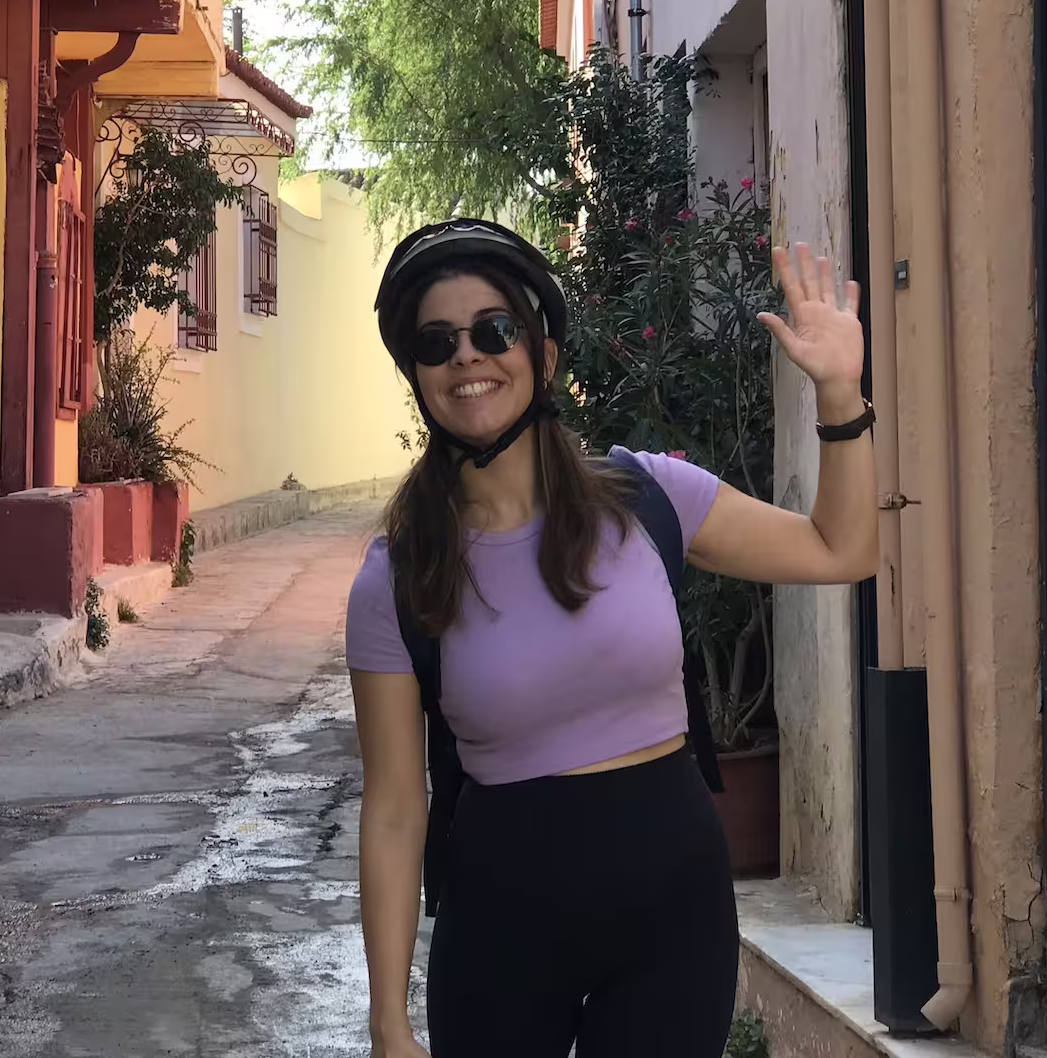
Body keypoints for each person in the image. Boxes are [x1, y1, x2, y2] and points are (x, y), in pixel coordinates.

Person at [346, 218, 879, 1058]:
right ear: (417, 374)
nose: (467, 358)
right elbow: (393, 809)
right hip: (500, 925)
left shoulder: (649, 497)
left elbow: (841, 548)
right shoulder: (400, 574)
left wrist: (841, 398)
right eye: (436, 343)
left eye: (493, 331)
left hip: (672, 913)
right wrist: (387, 1023)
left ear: (544, 354)